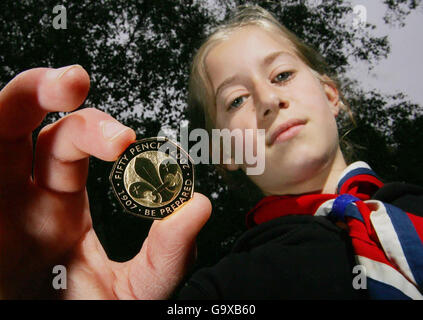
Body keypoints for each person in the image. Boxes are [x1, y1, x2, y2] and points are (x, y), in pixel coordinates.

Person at [177, 6, 423, 299]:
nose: (268, 99)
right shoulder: (226, 290)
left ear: (331, 95)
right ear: (225, 153)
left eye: (282, 75)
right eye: (237, 100)